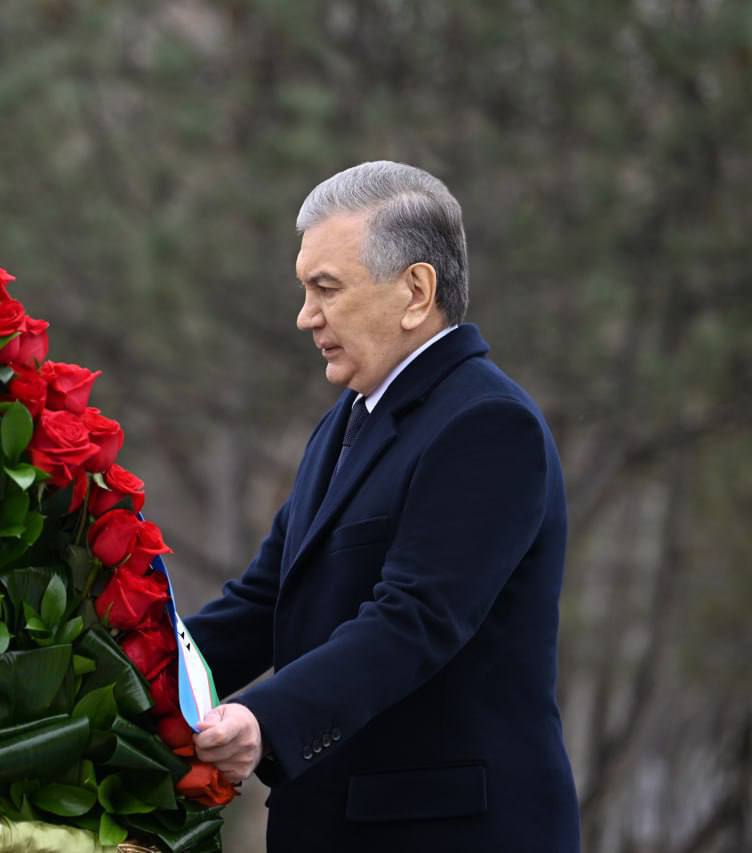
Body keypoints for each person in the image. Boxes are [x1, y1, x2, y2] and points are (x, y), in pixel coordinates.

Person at [183, 161, 580, 852]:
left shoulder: (487, 424)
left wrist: (262, 720)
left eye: (325, 289)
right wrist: (124, 672)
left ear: (416, 291)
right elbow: (261, 600)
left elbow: (414, 620)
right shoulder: (347, 420)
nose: (306, 315)